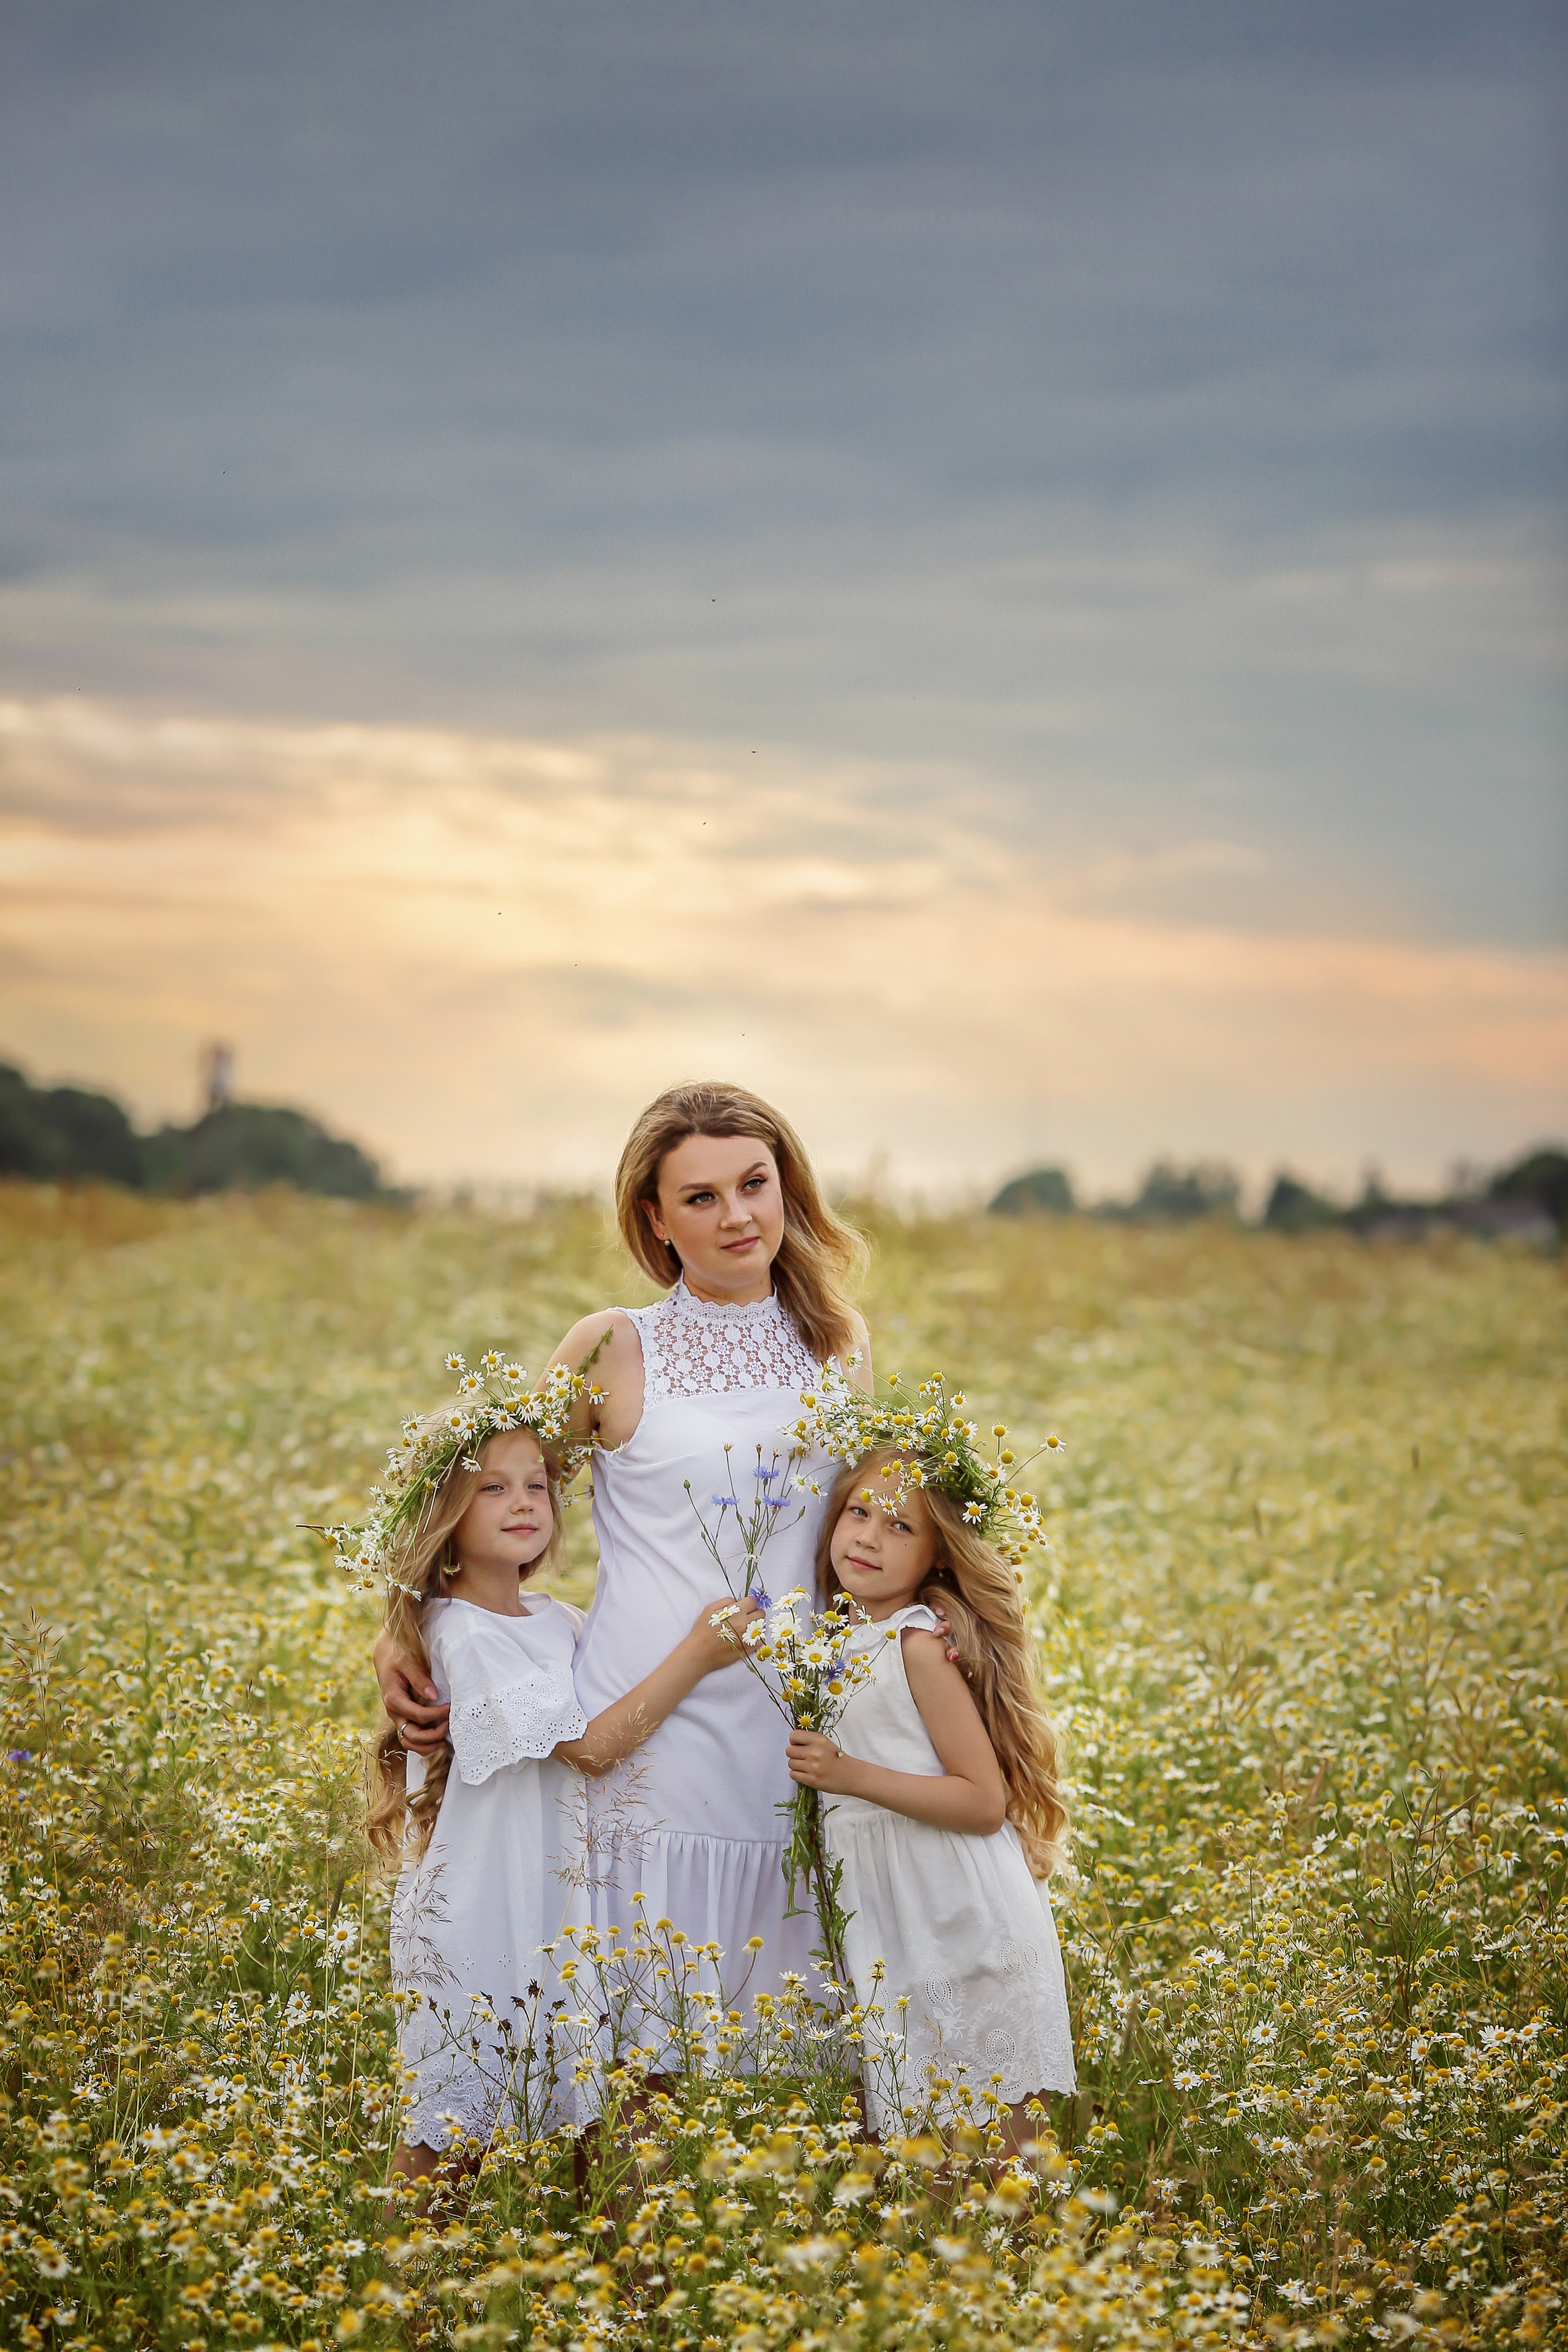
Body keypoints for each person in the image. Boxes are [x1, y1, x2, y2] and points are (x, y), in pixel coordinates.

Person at [375, 1080, 872, 2020]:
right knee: (631, 2050)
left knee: (786, 2037)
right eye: (700, 1197)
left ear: (787, 1188)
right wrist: (407, 1629)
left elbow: (855, 1541)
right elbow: (483, 1496)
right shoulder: (610, 1346)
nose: (737, 1216)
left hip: (792, 1735)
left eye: (754, 1184)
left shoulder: (838, 1348)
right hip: (642, 1731)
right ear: (654, 1218)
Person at [367, 1403, 760, 2184]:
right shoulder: (464, 1632)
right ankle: (403, 2293)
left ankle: (589, 2282)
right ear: (442, 1513)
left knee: (577, 2102)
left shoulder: (556, 1620)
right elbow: (592, 1748)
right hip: (485, 1906)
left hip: (550, 1907)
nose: (522, 1503)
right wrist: (699, 1653)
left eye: (538, 1486)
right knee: (452, 2126)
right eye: (491, 1489)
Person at [785, 1445, 1076, 2148]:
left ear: (939, 1556)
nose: (868, 1537)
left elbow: (981, 1802)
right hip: (896, 1917)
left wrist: (849, 1775)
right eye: (858, 1512)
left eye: (900, 1528)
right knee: (927, 2148)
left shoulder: (914, 1644)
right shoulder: (838, 1637)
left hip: (961, 1915)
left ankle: (1031, 2257)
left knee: (1000, 2146)